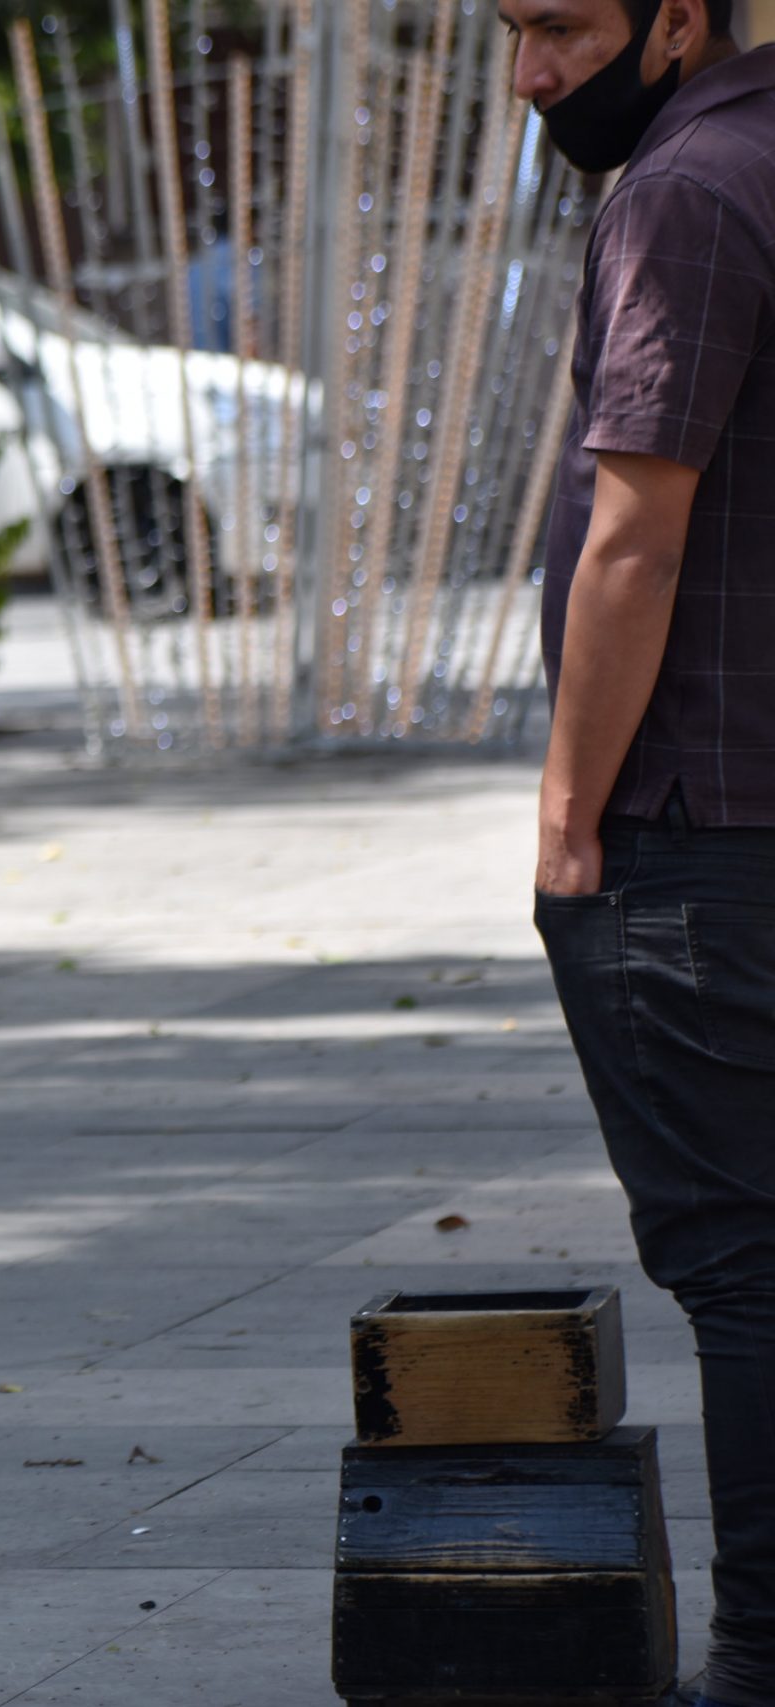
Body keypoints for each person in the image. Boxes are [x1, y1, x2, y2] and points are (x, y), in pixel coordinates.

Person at [517, 4, 775, 1705]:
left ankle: (762, 1652)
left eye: (559, 26)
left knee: (742, 1259)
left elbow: (637, 531)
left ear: (677, 21)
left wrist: (565, 820)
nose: (533, 74)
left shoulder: (683, 187)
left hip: (692, 828)